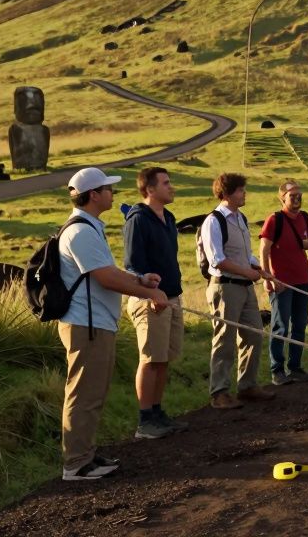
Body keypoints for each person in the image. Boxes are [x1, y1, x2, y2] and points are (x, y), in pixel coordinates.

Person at [57, 167, 169, 480]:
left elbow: (110, 270)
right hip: (85, 324)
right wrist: (151, 292)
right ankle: (76, 463)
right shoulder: (80, 232)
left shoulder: (90, 227)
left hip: (96, 323)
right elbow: (105, 278)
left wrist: (141, 280)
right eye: (107, 189)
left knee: (93, 392)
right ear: (94, 195)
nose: (112, 193)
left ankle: (85, 455)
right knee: (84, 394)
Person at [200, 172, 276, 409]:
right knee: (224, 340)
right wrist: (247, 272)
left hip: (244, 287)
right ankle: (219, 392)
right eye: (241, 190)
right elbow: (217, 260)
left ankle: (247, 386)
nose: (245, 194)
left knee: (254, 334)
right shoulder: (214, 220)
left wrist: (259, 269)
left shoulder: (240, 218)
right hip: (225, 287)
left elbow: (245, 253)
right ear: (227, 193)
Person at [123, 166, 187, 439]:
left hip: (172, 297)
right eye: (165, 183)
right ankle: (144, 420)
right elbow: (132, 266)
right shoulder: (138, 219)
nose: (171, 187)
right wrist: (150, 294)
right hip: (149, 300)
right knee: (149, 359)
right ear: (150, 189)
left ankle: (157, 413)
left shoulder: (169, 217)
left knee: (164, 359)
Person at [260, 179, 308, 385]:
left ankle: (295, 367)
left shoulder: (305, 218)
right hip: (281, 283)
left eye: (299, 195)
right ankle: (277, 371)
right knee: (280, 326)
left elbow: (305, 241)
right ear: (282, 198)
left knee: (300, 326)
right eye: (292, 195)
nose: (297, 198)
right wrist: (267, 277)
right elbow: (264, 249)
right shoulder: (274, 220)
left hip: (303, 279)